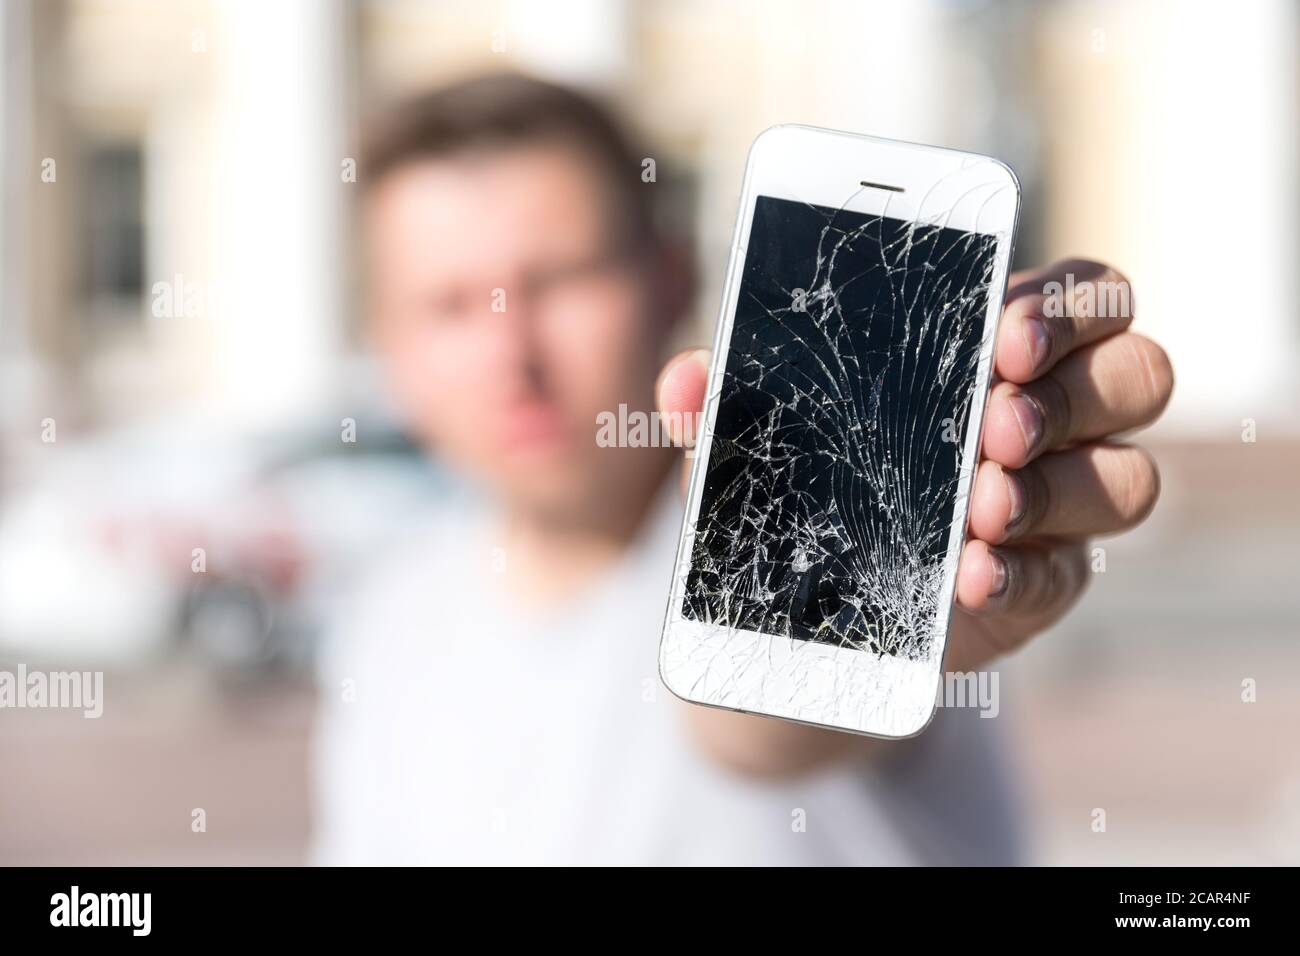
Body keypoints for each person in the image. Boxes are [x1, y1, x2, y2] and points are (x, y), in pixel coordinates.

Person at [311, 73, 1173, 865]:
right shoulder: (390, 615)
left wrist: (838, 625)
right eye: (450, 305)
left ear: (671, 276)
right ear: (386, 343)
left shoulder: (815, 526)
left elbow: (756, 730)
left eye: (559, 280)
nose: (512, 354)